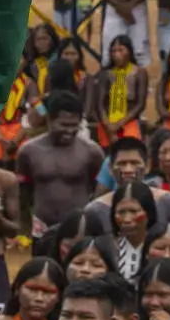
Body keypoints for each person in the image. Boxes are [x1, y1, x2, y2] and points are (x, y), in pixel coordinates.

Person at [19, 95, 106, 234]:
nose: (69, 130)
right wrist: (25, 228)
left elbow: (100, 192)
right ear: (49, 120)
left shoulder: (92, 152)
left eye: (74, 125)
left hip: (79, 229)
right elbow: (23, 194)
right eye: (64, 125)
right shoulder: (29, 152)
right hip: (42, 228)